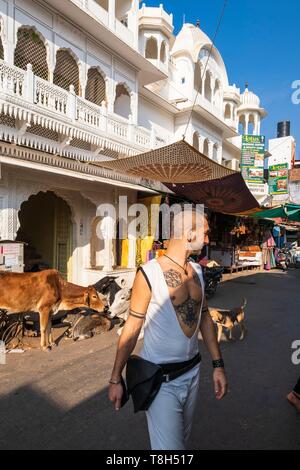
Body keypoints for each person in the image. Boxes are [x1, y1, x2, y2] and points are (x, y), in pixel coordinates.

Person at [108, 208, 228, 450]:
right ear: (188, 234)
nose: (207, 239)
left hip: (192, 372)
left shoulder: (197, 271)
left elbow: (204, 318)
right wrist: (115, 379)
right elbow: (132, 328)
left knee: (181, 441)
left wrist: (218, 365)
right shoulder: (149, 273)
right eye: (204, 233)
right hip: (161, 381)